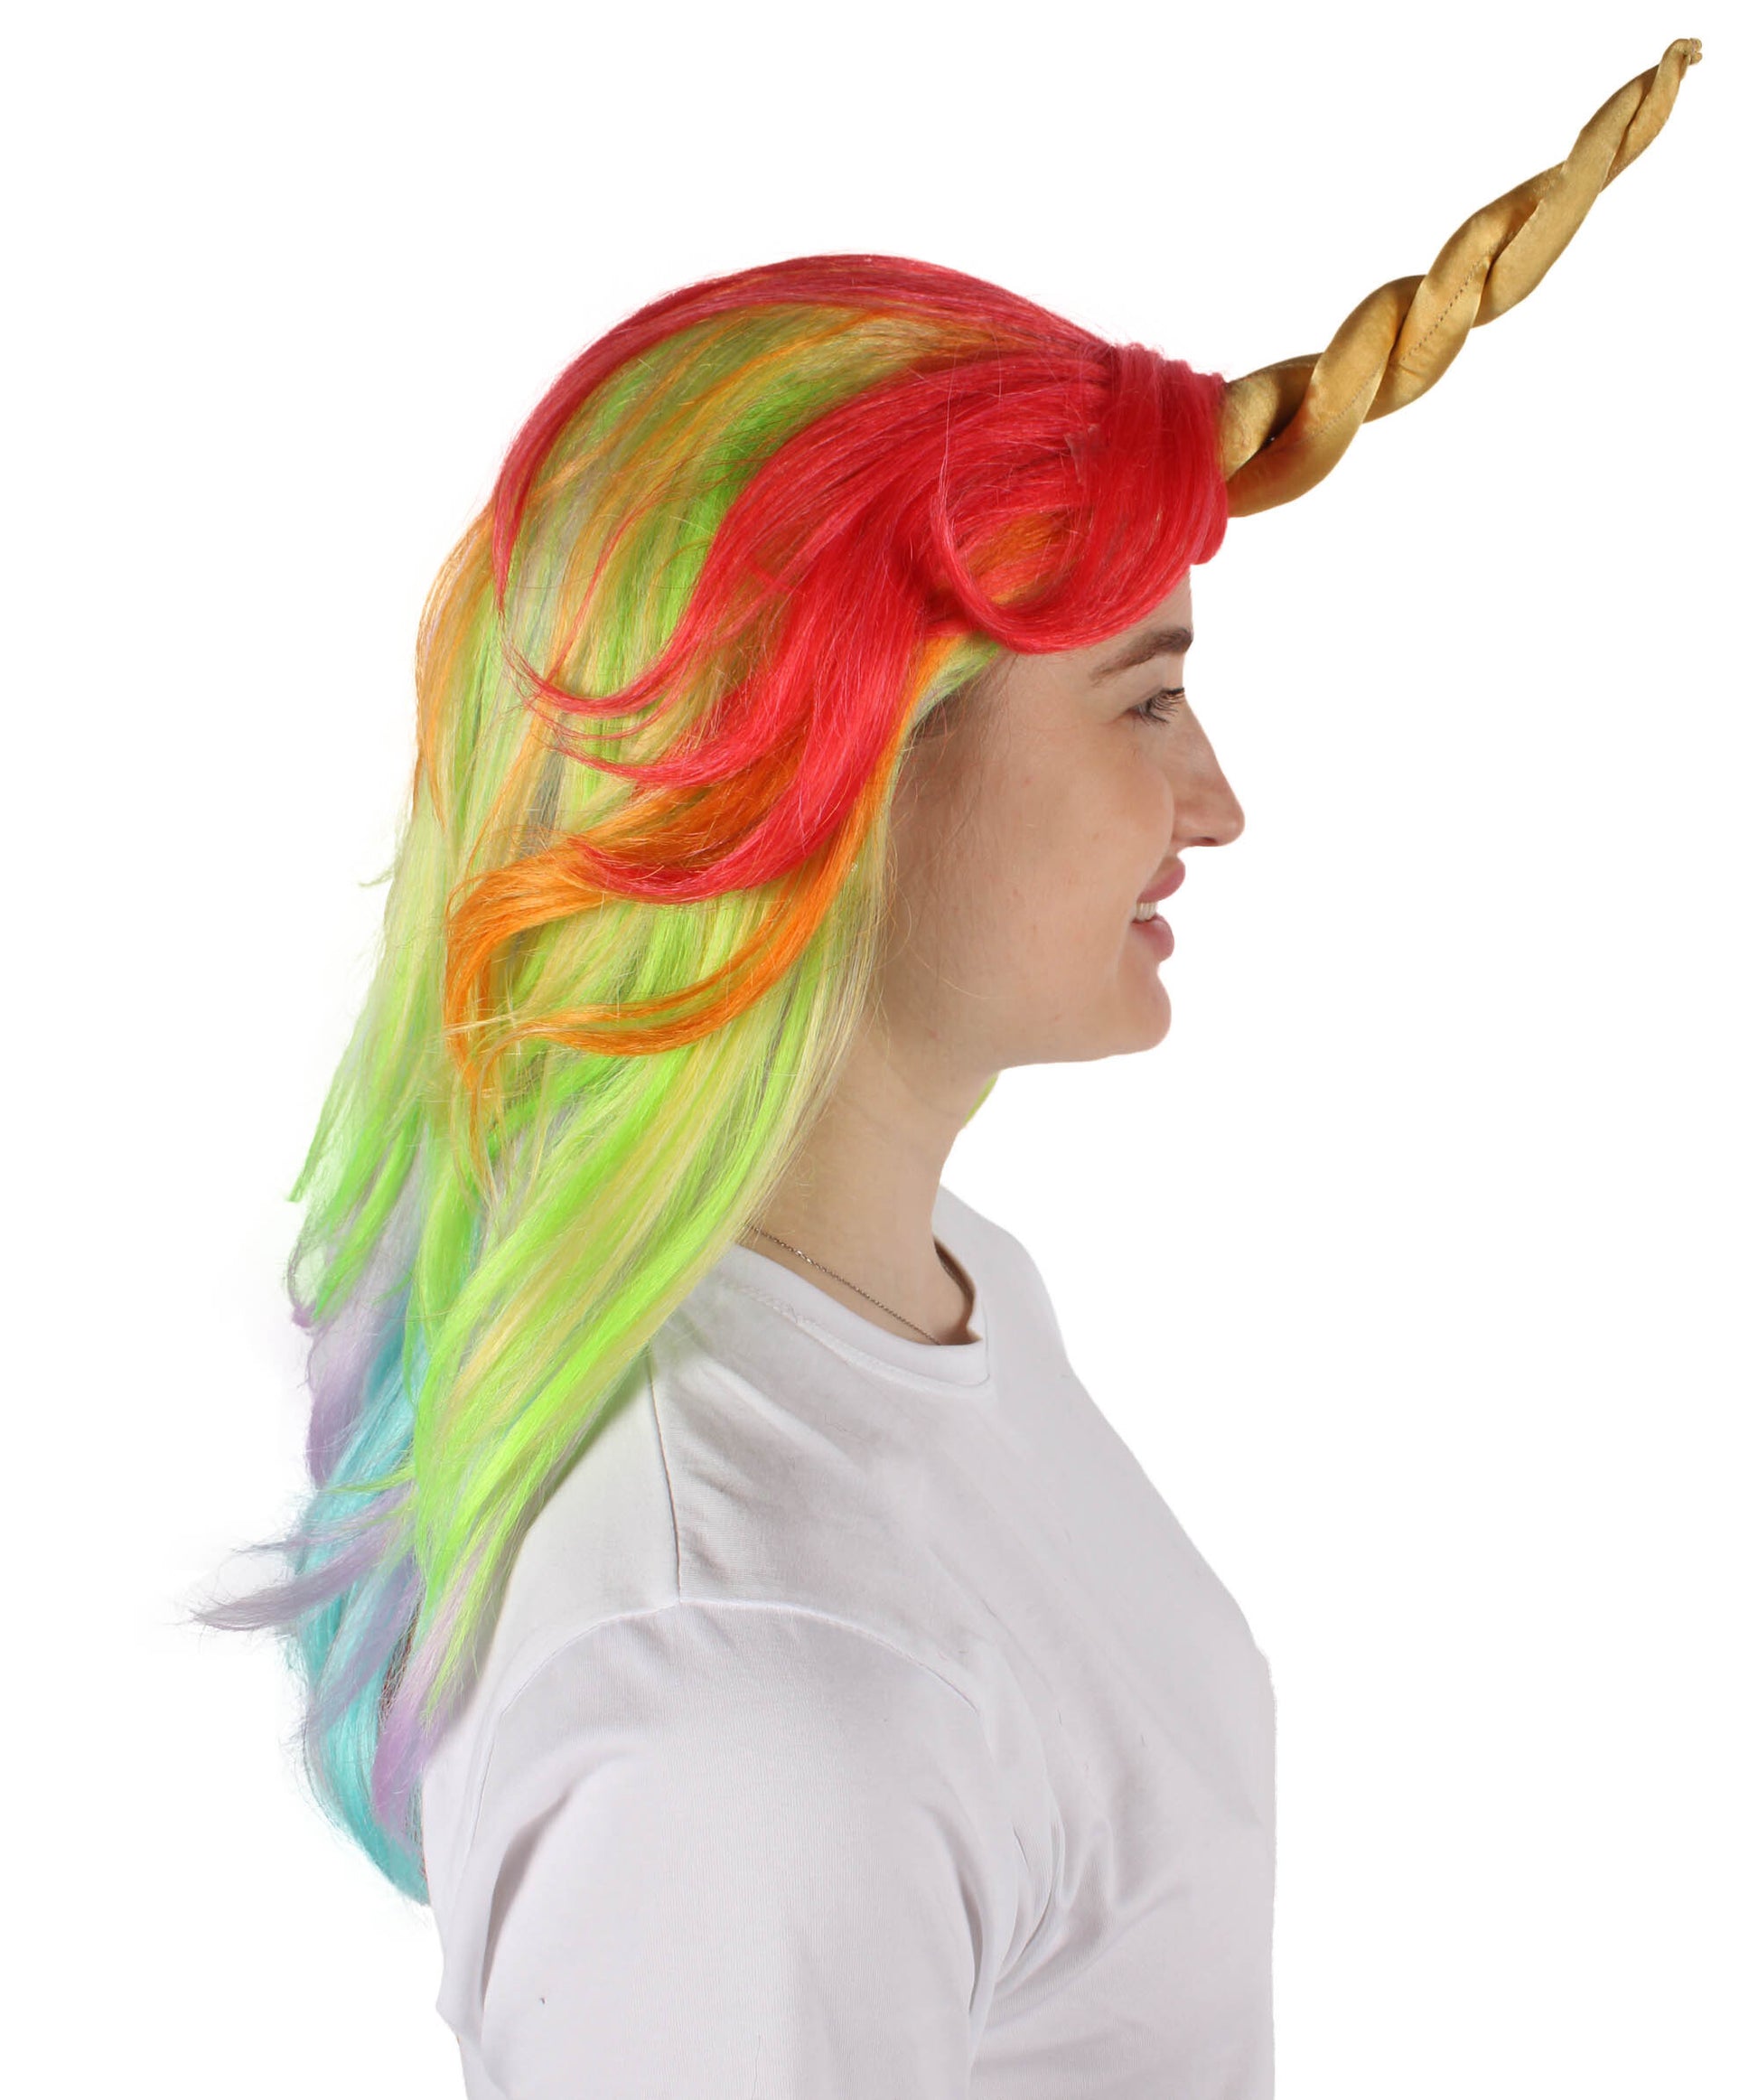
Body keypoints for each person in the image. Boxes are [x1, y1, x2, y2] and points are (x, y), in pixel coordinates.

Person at [186, 38, 1702, 2099]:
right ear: (844, 773)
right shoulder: (746, 1701)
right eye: (1145, 704)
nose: (1218, 802)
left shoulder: (918, 1288)